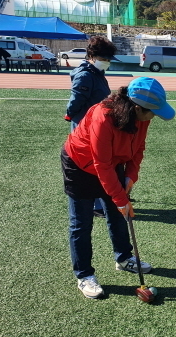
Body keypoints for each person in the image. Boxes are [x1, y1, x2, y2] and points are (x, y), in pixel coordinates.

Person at [61, 77, 176, 299]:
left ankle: (124, 259)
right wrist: (121, 199)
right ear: (135, 107)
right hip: (80, 165)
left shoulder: (142, 116)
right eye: (151, 111)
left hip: (111, 164)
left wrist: (130, 177)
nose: (154, 115)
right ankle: (84, 274)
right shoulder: (103, 117)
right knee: (81, 223)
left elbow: (139, 148)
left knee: (117, 214)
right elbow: (100, 164)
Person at [65, 36, 118, 217]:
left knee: (101, 160)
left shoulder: (97, 73)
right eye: (105, 59)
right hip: (85, 126)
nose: (107, 63)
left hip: (97, 124)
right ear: (92, 56)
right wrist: (70, 114)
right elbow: (76, 100)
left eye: (109, 60)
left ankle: (103, 197)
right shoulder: (86, 75)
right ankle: (96, 204)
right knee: (90, 163)